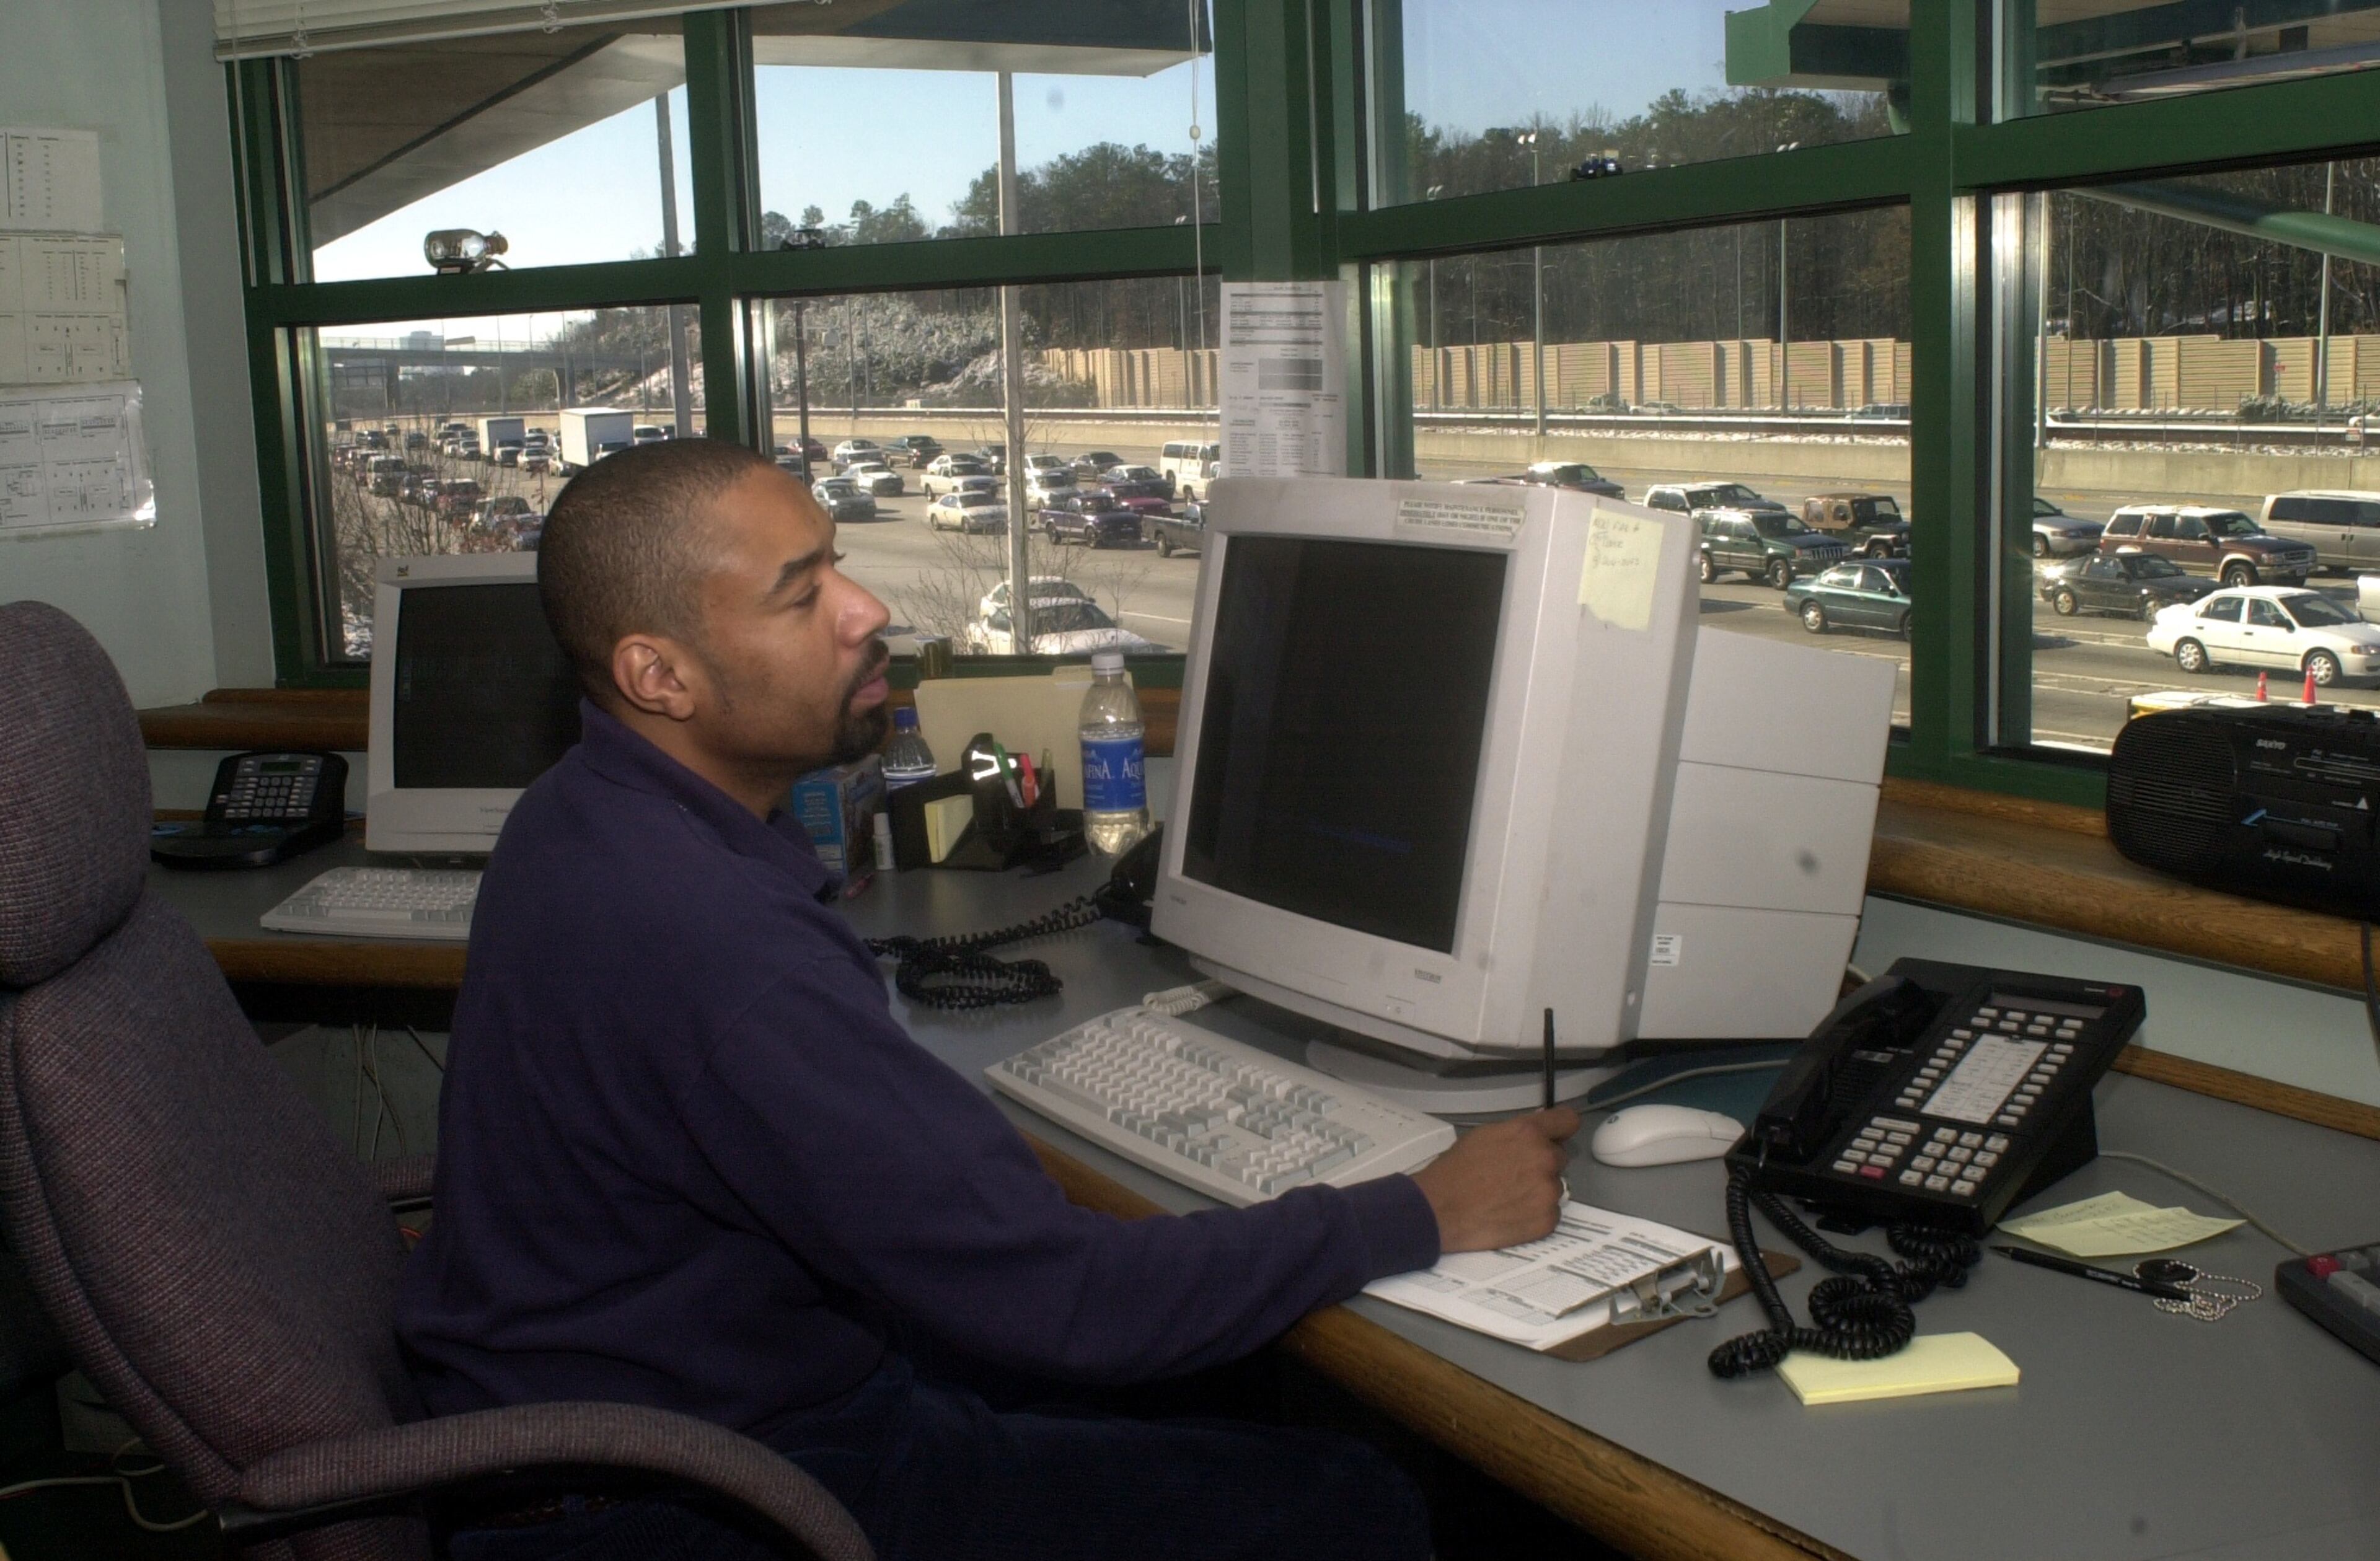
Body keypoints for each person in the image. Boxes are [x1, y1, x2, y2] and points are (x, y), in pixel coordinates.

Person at [397, 439, 1580, 1561]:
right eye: (801, 593)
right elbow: (1068, 1301)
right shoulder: (718, 950)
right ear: (658, 675)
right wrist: (1420, 1210)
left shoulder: (580, 813)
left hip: (621, 1416)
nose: (867, 611)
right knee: (1353, 1498)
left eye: (839, 563)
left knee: (1224, 1383)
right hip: (697, 1499)